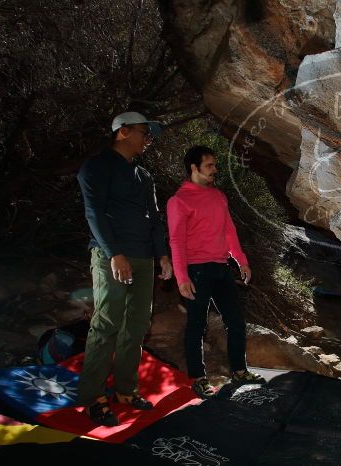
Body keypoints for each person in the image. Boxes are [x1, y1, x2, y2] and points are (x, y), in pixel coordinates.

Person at [76, 111, 173, 426]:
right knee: (107, 323)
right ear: (122, 132)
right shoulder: (97, 166)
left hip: (144, 257)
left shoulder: (144, 176)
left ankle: (125, 390)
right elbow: (94, 212)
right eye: (145, 132)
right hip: (112, 256)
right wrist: (113, 253)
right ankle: (93, 396)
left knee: (137, 323)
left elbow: (155, 218)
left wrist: (162, 256)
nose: (149, 138)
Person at [166, 145, 261, 398]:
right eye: (209, 165)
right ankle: (198, 378)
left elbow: (229, 231)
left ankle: (239, 371)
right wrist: (182, 277)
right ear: (194, 168)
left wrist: (241, 260)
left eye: (215, 165)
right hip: (196, 270)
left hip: (221, 268)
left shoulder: (219, 196)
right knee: (197, 326)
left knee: (236, 323)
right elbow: (176, 241)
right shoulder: (179, 201)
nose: (215, 170)